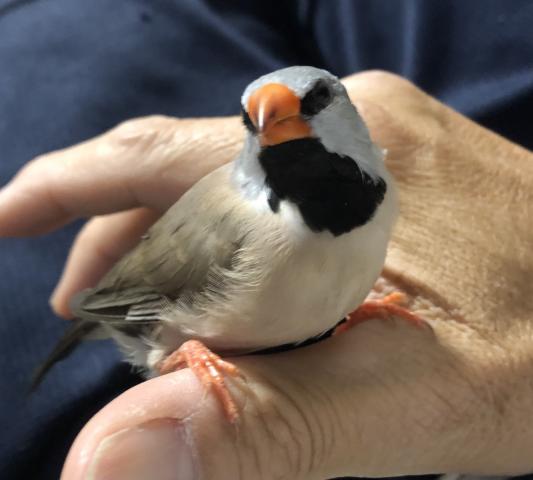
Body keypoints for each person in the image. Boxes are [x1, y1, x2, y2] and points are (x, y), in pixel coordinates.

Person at [0, 1, 532, 479]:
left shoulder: (385, 187)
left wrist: (347, 307)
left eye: (316, 98)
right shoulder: (247, 230)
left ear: (345, 104)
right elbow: (152, 309)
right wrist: (185, 351)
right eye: (256, 120)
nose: (279, 119)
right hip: (158, 316)